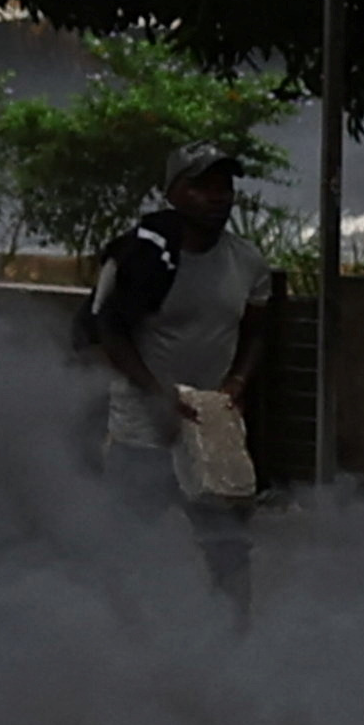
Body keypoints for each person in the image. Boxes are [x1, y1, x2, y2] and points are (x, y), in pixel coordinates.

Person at [83, 148, 270, 575]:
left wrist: (238, 382)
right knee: (125, 549)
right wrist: (158, 395)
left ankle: (231, 619)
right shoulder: (138, 257)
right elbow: (108, 333)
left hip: (210, 431)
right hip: (144, 430)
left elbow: (257, 331)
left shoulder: (248, 261)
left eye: (225, 186)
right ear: (173, 193)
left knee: (228, 549)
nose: (217, 197)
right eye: (202, 186)